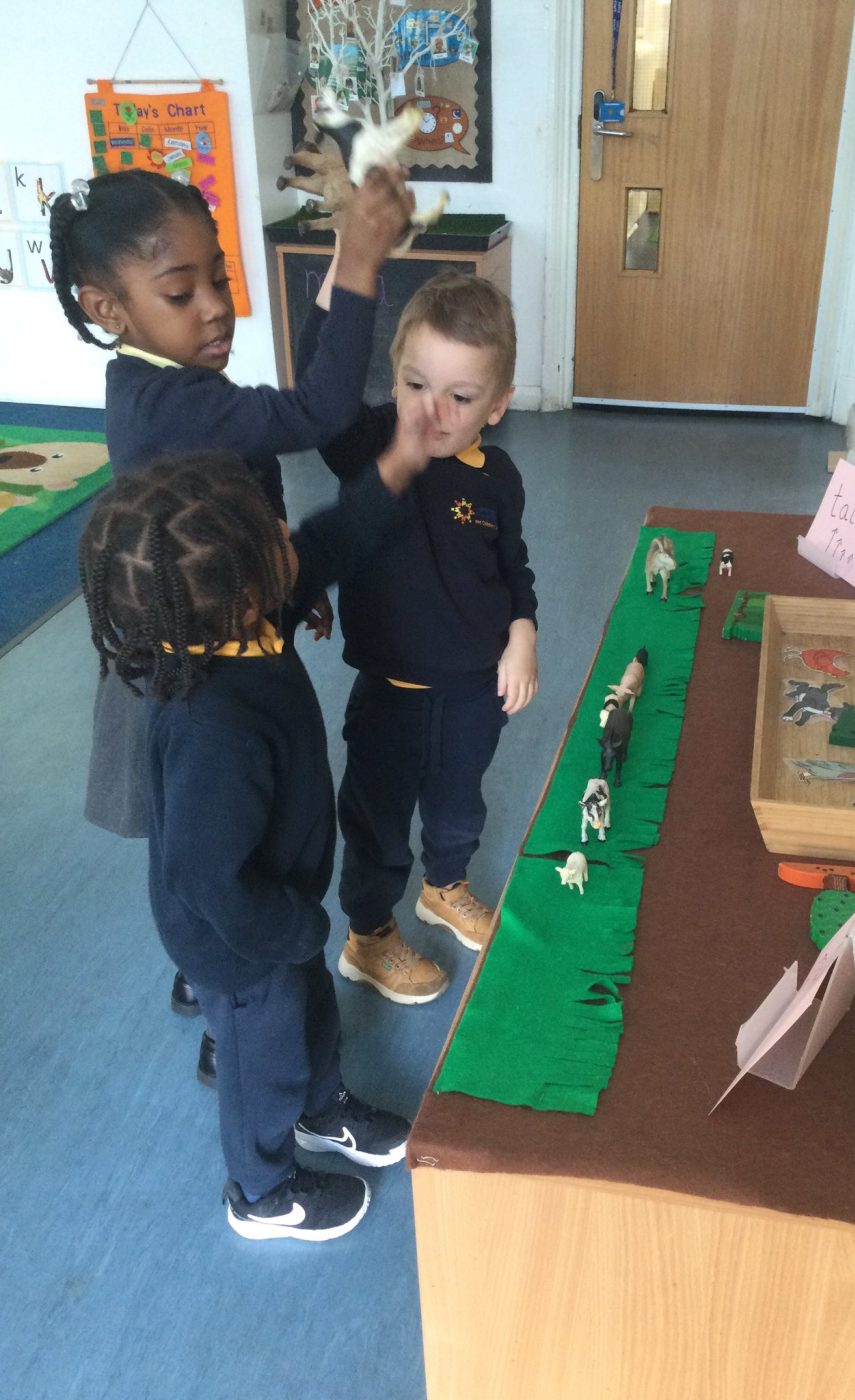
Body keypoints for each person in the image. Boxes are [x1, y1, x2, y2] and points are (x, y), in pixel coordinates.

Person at [49, 164, 413, 1046]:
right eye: (182, 292)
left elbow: (266, 451)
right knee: (221, 839)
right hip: (197, 666)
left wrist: (289, 584)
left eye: (219, 277)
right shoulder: (167, 404)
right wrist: (361, 259)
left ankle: (210, 969)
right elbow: (318, 409)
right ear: (108, 308)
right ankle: (230, 1004)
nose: (216, 308)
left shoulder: (170, 382)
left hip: (229, 615)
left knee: (222, 831)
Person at [77, 450, 430, 1240]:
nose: (283, 525)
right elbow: (207, 878)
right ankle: (263, 1190)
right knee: (259, 1059)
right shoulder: (213, 726)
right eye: (268, 530)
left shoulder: (242, 624)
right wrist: (293, 929)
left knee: (309, 1009)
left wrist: (397, 464)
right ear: (241, 592)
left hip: (276, 908)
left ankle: (321, 1108)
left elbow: (327, 543)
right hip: (236, 938)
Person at [298, 270, 538, 1005]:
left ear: (497, 405)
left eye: (460, 397)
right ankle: (368, 937)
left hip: (473, 692)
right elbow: (318, 383)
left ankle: (444, 888)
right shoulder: (371, 443)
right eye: (414, 385)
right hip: (391, 696)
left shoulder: (498, 478)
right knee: (376, 822)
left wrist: (523, 632)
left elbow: (514, 567)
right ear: (394, 375)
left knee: (459, 804)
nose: (431, 412)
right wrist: (345, 265)